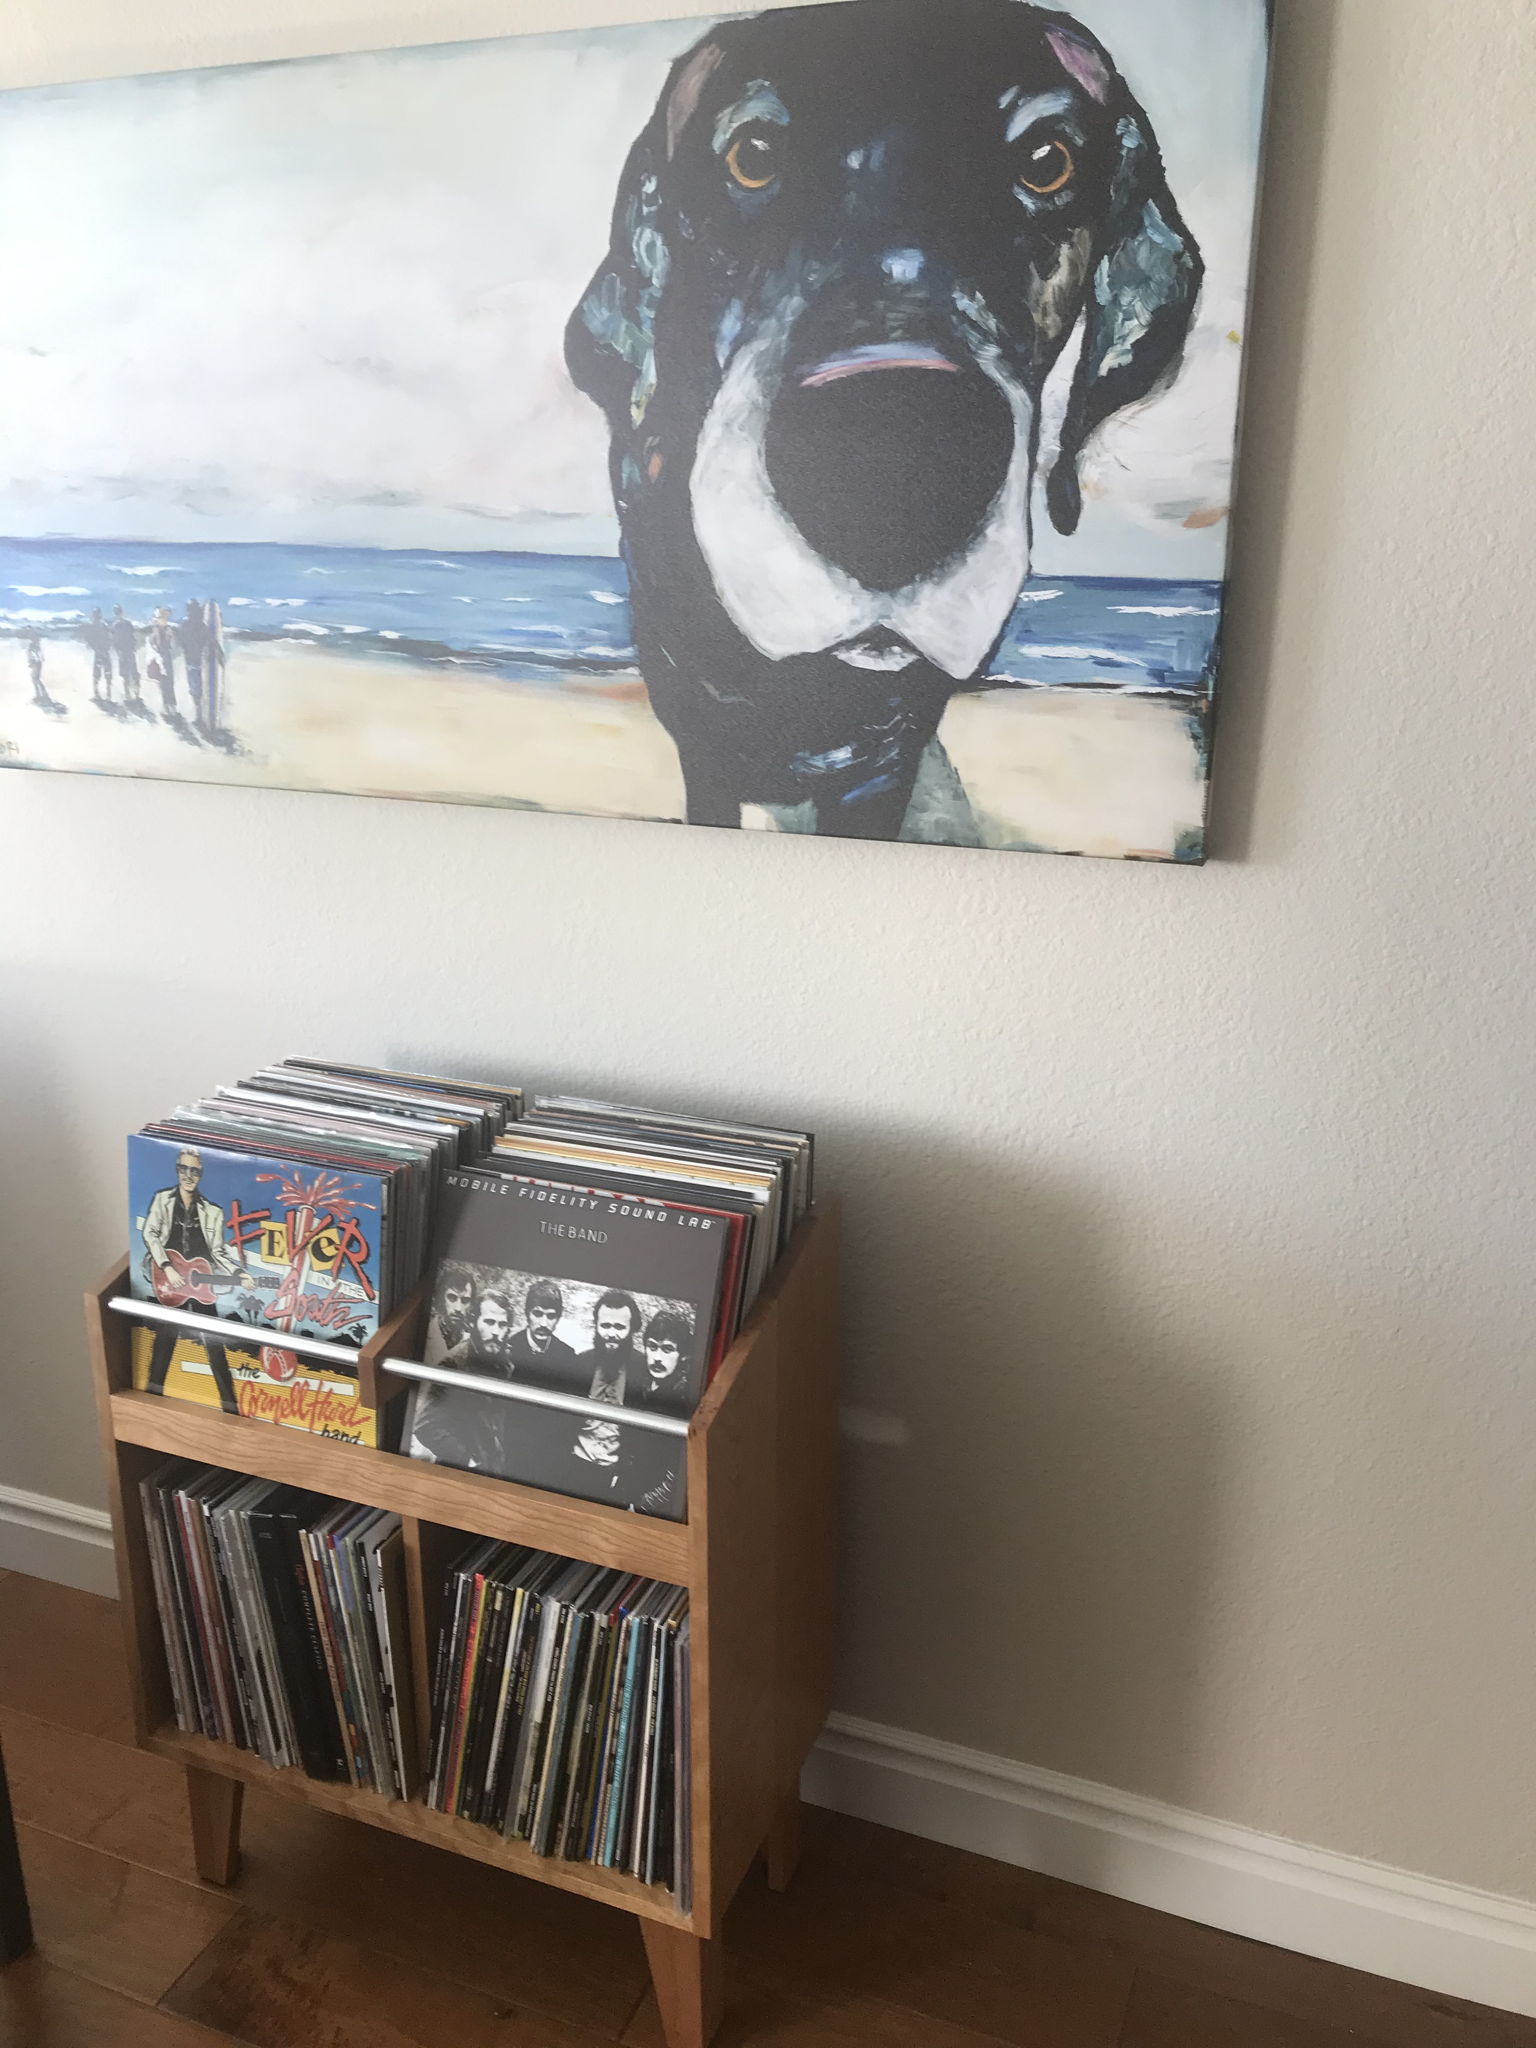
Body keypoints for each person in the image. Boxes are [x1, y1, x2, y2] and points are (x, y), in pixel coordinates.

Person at [140, 1148, 248, 1415]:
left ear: (201, 1174)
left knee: (215, 1346)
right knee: (164, 1344)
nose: (189, 1175)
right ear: (177, 1170)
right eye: (184, 1169)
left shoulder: (213, 1212)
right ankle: (150, 1403)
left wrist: (238, 1274)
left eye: (195, 1171)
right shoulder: (162, 1199)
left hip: (201, 1285)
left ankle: (230, 1409)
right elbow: (150, 1234)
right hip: (170, 1282)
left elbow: (218, 1252)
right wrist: (167, 1266)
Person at [619, 1309, 695, 1516]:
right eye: (652, 1347)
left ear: (683, 1356)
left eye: (668, 1349)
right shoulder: (640, 1384)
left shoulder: (683, 1398)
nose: (658, 1358)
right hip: (626, 1494)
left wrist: (643, 1506)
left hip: (654, 1508)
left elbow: (677, 1473)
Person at [505, 1278, 580, 1382]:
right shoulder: (509, 1347)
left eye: (551, 1316)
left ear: (558, 1318)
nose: (543, 1324)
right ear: (527, 1314)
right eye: (538, 1314)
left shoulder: (567, 1357)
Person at [442, 1286, 516, 1377]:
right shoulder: (451, 1364)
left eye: (502, 1325)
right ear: (473, 1322)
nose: (496, 1332)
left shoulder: (509, 1363)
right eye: (489, 1322)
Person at [428, 1266, 475, 1358]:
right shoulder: (425, 1332)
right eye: (452, 1298)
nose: (458, 1308)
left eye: (465, 1300)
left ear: (471, 1305)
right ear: (441, 1299)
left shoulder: (472, 1344)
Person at [147, 608, 179, 720]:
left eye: (164, 618)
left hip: (166, 659)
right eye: (161, 618)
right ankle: (167, 708)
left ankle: (172, 708)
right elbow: (152, 644)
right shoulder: (156, 631)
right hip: (160, 659)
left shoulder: (168, 630)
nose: (163, 620)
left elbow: (173, 646)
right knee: (164, 685)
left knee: (169, 684)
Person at [110, 607, 144, 712]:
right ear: (122, 612)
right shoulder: (127, 623)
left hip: (123, 653)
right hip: (129, 652)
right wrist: (133, 647)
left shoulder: (115, 625)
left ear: (115, 613)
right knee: (134, 674)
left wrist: (118, 651)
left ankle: (128, 696)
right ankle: (136, 695)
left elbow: (115, 640)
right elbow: (133, 637)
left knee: (126, 676)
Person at [83, 609, 113, 702]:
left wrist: (94, 647)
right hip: (105, 652)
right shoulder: (104, 625)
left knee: (96, 674)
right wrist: (107, 646)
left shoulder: (93, 625)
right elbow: (110, 637)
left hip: (98, 652)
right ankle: (108, 695)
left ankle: (97, 695)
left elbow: (88, 638)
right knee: (107, 673)